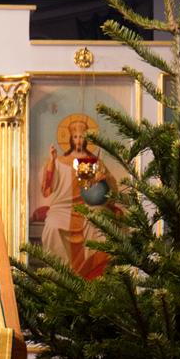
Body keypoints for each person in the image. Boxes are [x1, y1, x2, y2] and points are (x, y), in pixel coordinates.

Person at [35, 116, 112, 279]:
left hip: (86, 207)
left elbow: (106, 190)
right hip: (62, 208)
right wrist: (52, 161)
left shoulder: (92, 161)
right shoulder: (60, 161)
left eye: (82, 137)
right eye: (75, 137)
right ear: (70, 139)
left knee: (96, 225)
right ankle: (61, 276)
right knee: (52, 226)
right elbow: (47, 189)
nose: (78, 140)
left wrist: (101, 178)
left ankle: (91, 275)